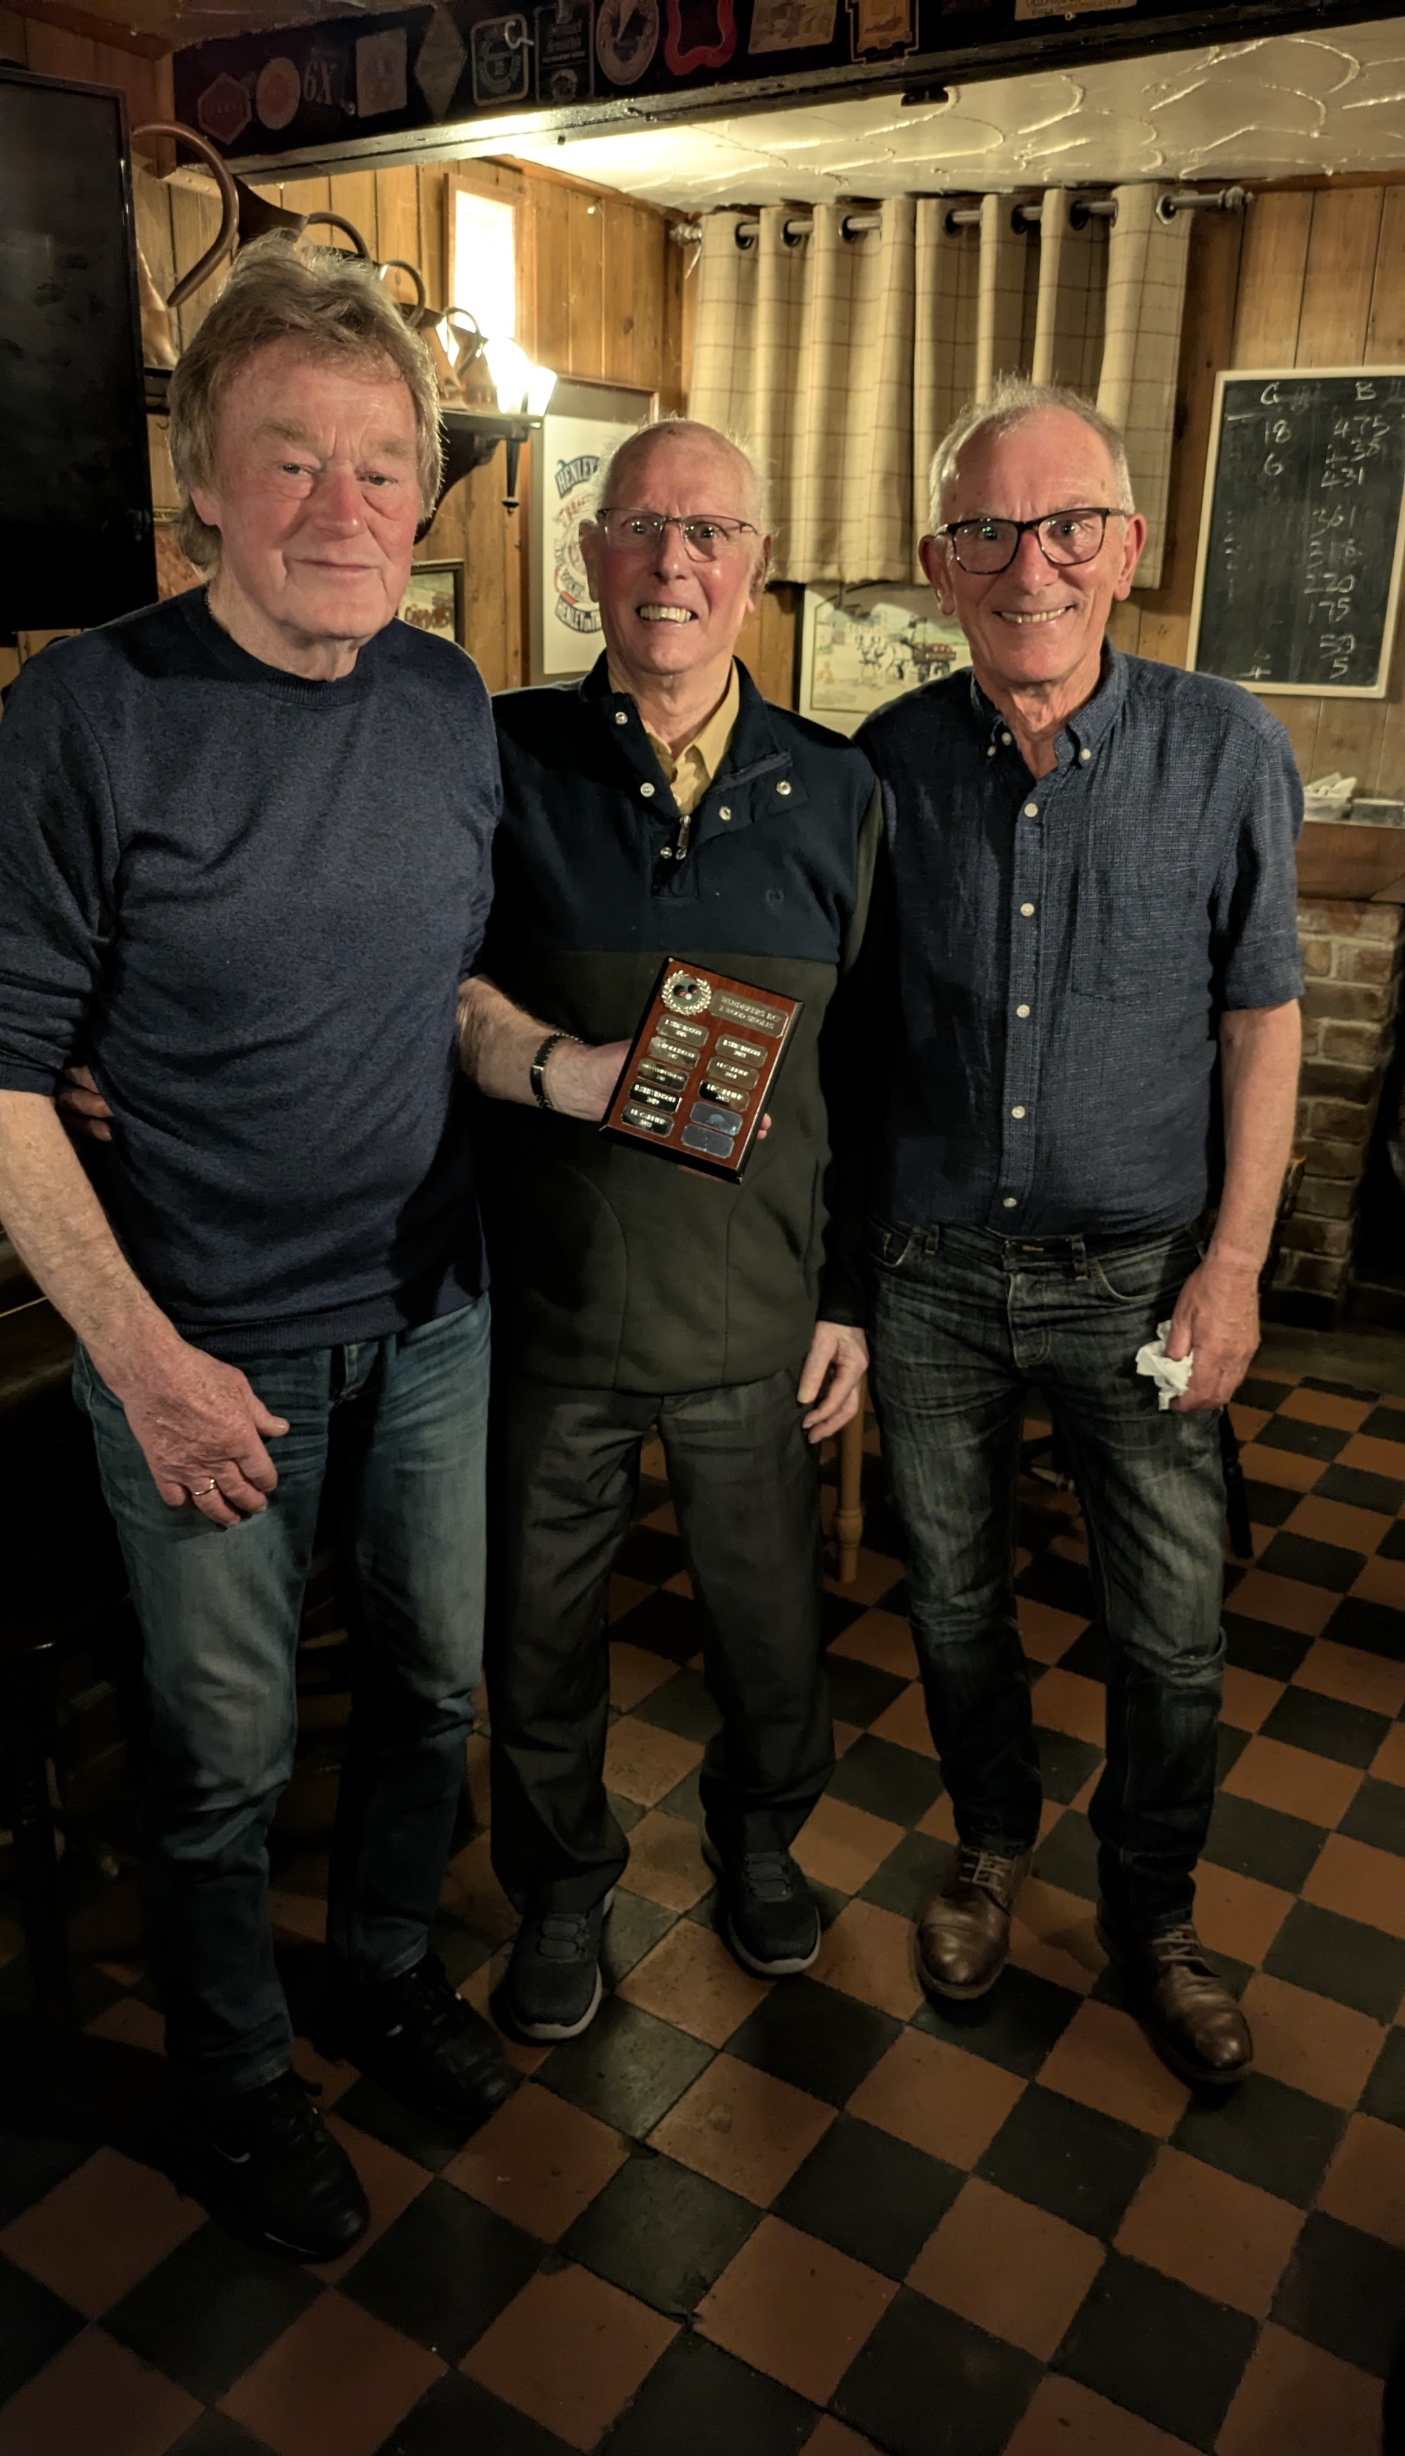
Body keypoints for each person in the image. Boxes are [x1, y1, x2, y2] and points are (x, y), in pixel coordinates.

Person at [0, 239, 513, 2263]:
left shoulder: (445, 696)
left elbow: (433, 986)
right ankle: (228, 2084)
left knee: (432, 1690)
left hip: (434, 1316)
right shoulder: (90, 711)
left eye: (380, 467)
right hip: (202, 1346)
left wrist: (551, 1066)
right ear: (201, 481)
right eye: (288, 461)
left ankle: (381, 1969)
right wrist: (138, 1357)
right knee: (221, 1758)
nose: (340, 508)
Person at [858, 377, 1303, 2089]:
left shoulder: (1225, 746)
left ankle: (1154, 1910)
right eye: (985, 528)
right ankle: (987, 1841)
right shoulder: (886, 765)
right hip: (930, 1279)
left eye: (1064, 526)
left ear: (1126, 548)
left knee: (1169, 1629)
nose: (1025, 561)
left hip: (1144, 1279)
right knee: (956, 1602)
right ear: (935, 560)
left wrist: (1237, 1265)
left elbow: (1260, 1021)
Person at [456, 419, 882, 2043]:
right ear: (588, 559)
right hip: (549, 1307)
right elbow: (436, 989)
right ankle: (561, 1892)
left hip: (756, 1313)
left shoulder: (838, 791)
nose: (672, 562)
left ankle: (758, 1842)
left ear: (754, 571)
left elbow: (875, 1072)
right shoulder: (497, 757)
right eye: (638, 527)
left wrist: (845, 1293)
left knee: (770, 1633)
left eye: (707, 533)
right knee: (539, 1638)